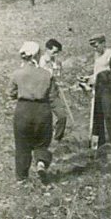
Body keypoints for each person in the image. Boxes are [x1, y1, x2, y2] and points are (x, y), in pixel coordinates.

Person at [8, 41, 67, 184]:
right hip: (42, 112)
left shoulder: (17, 74)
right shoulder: (47, 75)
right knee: (42, 142)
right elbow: (53, 98)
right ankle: (41, 162)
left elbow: (10, 93)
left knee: (22, 145)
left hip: (23, 111)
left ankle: (22, 179)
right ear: (37, 55)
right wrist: (61, 117)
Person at [79, 34, 111, 147]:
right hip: (98, 87)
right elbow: (97, 72)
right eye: (93, 46)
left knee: (109, 113)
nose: (95, 49)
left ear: (103, 43)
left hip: (108, 87)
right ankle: (97, 144)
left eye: (96, 45)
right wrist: (89, 78)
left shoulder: (110, 55)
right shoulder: (97, 55)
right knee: (97, 115)